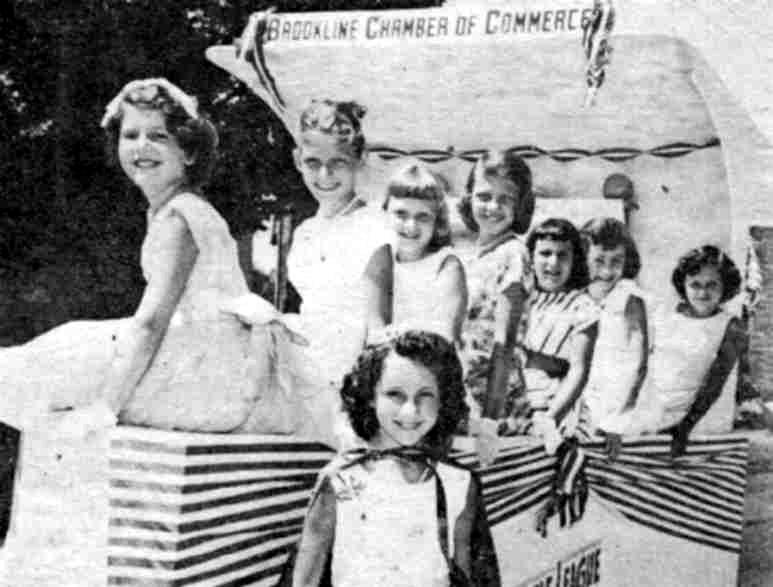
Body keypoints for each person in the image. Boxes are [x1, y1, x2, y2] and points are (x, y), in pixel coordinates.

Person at [290, 330, 500, 587]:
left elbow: (467, 574)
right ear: (369, 397)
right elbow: (305, 578)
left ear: (444, 399)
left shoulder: (458, 481)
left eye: (425, 396)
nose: (410, 411)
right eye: (395, 395)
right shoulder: (342, 480)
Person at [253, 99, 391, 391]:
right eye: (313, 163)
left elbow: (379, 328)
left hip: (354, 379)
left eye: (337, 163)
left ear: (360, 159)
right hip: (306, 374)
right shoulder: (305, 233)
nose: (324, 176)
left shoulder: (375, 226)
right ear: (297, 159)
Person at [606, 245, 745, 457]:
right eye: (695, 285)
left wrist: (683, 430)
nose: (703, 293)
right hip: (651, 402)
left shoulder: (732, 326)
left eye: (712, 285)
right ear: (684, 285)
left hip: (690, 413)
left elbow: (714, 385)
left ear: (725, 287)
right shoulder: (665, 313)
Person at [501, 219, 597, 453]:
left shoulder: (582, 306)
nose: (553, 263)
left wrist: (551, 418)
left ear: (574, 262)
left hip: (554, 406)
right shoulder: (523, 298)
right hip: (514, 401)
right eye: (545, 253)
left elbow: (579, 370)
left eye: (562, 255)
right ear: (531, 258)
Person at [457, 150, 534, 424]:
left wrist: (491, 420)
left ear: (520, 205)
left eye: (505, 199)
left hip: (498, 403)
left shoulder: (514, 254)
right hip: (464, 397)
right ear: (468, 198)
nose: (492, 207)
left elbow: (505, 344)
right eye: (484, 196)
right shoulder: (469, 257)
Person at [364, 162, 467, 343]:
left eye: (423, 217)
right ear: (385, 212)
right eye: (401, 214)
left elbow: (447, 334)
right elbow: (374, 328)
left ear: (437, 222)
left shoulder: (447, 265)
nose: (411, 226)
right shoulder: (382, 257)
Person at [578, 218, 649, 439]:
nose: (607, 271)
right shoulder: (576, 296)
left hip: (616, 403)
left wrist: (615, 420)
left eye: (616, 261)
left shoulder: (629, 298)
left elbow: (637, 362)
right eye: (598, 261)